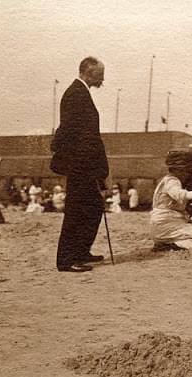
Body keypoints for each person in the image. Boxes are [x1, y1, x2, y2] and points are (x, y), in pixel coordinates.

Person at [51, 57, 109, 272]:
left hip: (85, 163)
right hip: (80, 164)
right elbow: (69, 131)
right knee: (76, 211)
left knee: (93, 207)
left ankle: (81, 251)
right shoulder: (75, 93)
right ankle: (66, 260)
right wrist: (66, 155)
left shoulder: (80, 92)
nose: (103, 78)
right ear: (87, 72)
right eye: (100, 74)